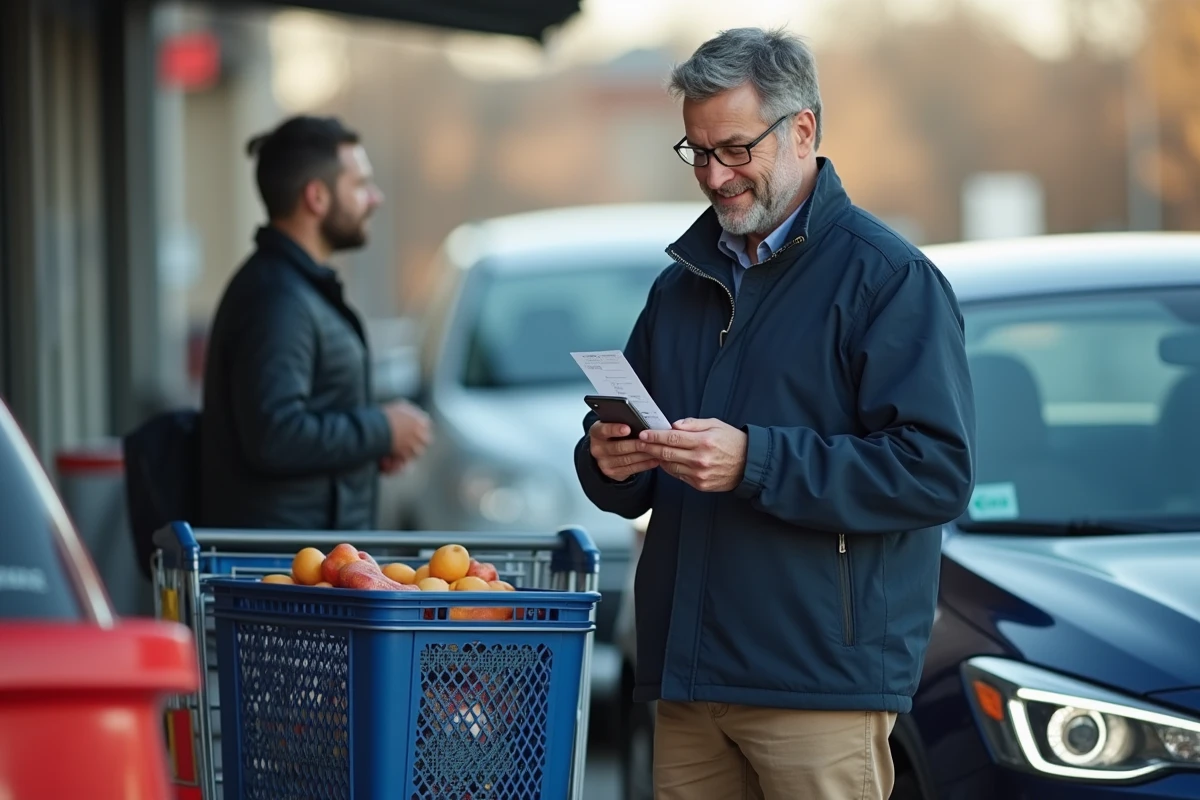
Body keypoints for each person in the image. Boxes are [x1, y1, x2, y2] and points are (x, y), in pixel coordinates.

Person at [574, 27, 975, 800]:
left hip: (818, 685)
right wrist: (608, 461)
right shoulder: (679, 288)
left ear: (803, 129)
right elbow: (631, 470)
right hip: (689, 681)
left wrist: (753, 460)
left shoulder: (890, 280)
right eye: (696, 152)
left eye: (733, 149)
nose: (715, 175)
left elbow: (936, 471)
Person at [199, 115, 431, 531]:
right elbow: (275, 434)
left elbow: (296, 423)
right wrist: (381, 429)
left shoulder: (295, 288)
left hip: (309, 562)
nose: (375, 198)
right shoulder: (278, 298)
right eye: (360, 185)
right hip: (287, 573)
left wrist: (368, 449)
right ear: (317, 198)